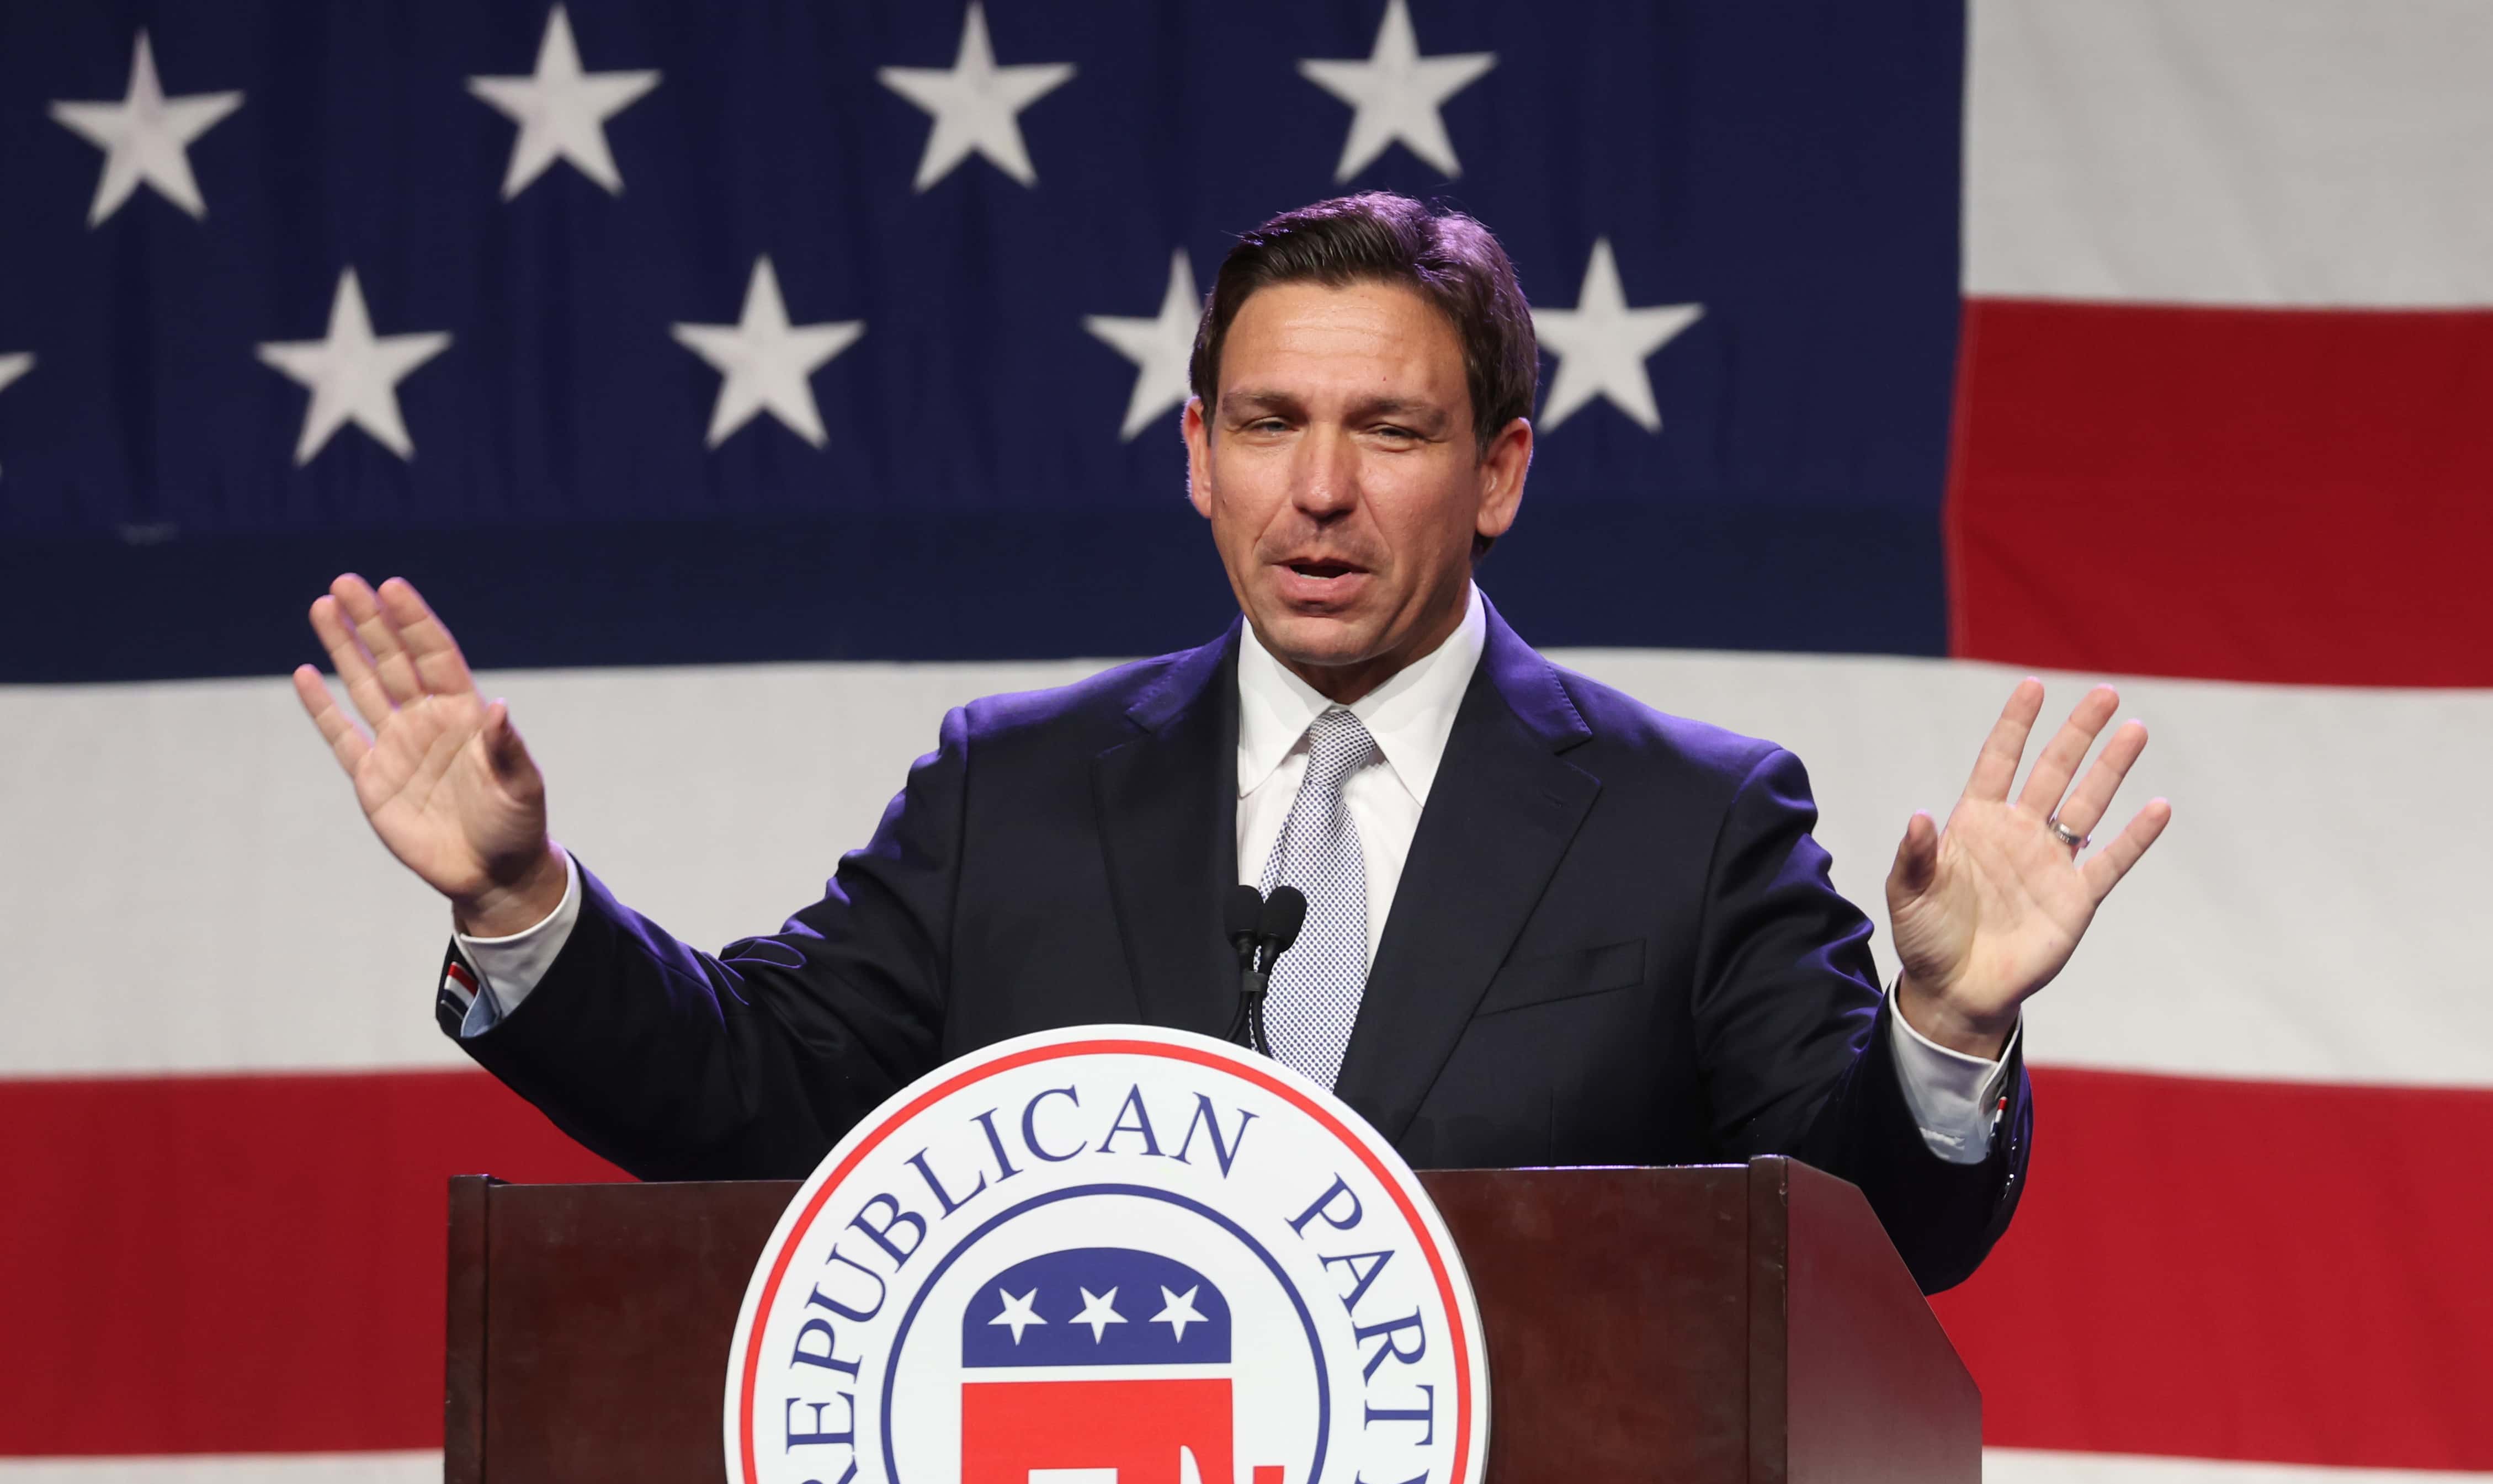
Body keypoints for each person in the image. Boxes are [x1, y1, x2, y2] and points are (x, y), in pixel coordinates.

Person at [293, 195, 2167, 1292]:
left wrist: (1947, 1029)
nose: (1322, 492)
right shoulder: (1009, 789)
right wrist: (526, 900)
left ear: (1503, 470)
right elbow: (754, 1099)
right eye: (1268, 421)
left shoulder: (1693, 820)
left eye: (1395, 431)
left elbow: (1848, 1248)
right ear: (1195, 455)